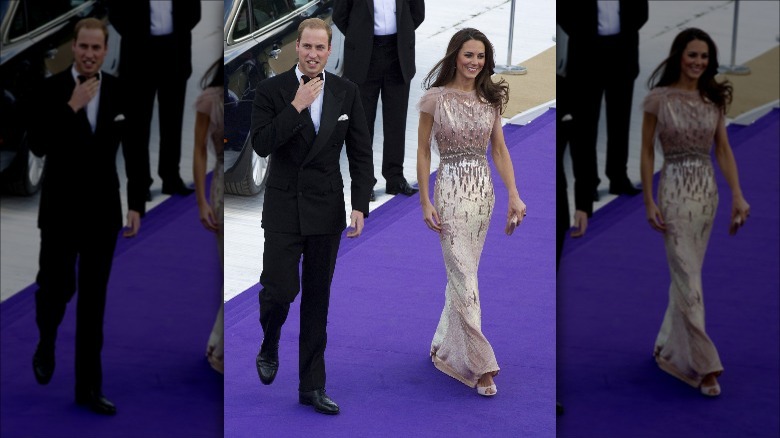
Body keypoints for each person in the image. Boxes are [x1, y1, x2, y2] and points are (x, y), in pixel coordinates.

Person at [251, 18, 376, 415]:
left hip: (326, 210)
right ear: (296, 47)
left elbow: (360, 152)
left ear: (329, 51)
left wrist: (359, 204)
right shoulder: (271, 91)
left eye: (320, 48)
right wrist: (295, 108)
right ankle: (270, 340)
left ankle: (311, 386)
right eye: (306, 46)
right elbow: (262, 144)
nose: (313, 54)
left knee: (317, 303)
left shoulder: (346, 92)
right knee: (279, 290)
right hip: (284, 209)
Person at [26, 18, 147, 416]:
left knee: (93, 305)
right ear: (73, 47)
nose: (90, 54)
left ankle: (88, 388)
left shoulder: (120, 90)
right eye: (84, 47)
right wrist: (71, 107)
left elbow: (134, 150)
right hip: (59, 213)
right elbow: (39, 145)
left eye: (97, 48)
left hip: (102, 215)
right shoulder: (49, 90)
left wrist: (136, 203)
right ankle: (46, 340)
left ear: (106, 51)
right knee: (55, 289)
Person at [416, 28, 527, 397]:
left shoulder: (490, 98)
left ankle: (442, 344)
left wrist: (514, 194)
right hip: (448, 190)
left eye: (480, 57)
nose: (474, 62)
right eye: (468, 55)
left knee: (464, 273)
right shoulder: (435, 98)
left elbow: (499, 150)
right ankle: (481, 365)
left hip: (482, 196)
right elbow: (422, 152)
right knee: (464, 275)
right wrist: (425, 200)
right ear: (455, 56)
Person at [640, 27, 750, 397]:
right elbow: (645, 151)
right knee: (688, 277)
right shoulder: (658, 98)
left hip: (707, 197)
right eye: (692, 55)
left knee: (687, 276)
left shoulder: (714, 98)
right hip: (672, 192)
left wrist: (737, 195)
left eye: (704, 57)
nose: (698, 63)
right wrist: (649, 200)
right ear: (678, 56)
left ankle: (667, 345)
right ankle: (704, 366)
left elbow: (723, 150)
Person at [333, 0, 425, 201]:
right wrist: (360, 36)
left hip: (398, 52)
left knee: (396, 121)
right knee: (363, 124)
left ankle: (395, 178)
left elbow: (417, 13)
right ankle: (365, 183)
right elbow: (339, 15)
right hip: (364, 55)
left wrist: (403, 33)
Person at [108, 0, 201, 199]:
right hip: (139, 54)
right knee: (137, 125)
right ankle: (140, 184)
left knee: (172, 121)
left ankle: (171, 178)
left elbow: (194, 12)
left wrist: (174, 36)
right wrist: (138, 37)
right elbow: (116, 14)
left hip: (175, 53)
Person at [559, 0, 648, 199]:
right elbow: (564, 13)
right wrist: (586, 36)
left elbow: (641, 11)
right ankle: (588, 183)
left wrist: (622, 36)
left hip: (622, 53)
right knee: (586, 124)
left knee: (620, 120)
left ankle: (618, 177)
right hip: (587, 53)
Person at [192, 58, 224, 375]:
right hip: (219, 193)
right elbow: (199, 149)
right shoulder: (211, 100)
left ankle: (216, 343)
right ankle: (218, 349)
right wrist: (201, 200)